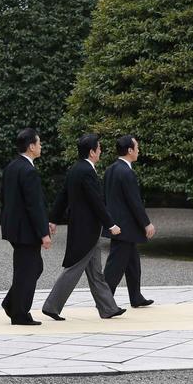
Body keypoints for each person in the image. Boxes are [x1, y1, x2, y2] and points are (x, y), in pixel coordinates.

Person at [42, 134, 127, 321]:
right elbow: (96, 202)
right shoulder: (87, 171)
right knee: (74, 268)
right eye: (99, 148)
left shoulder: (75, 169)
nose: (101, 151)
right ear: (92, 151)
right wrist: (111, 224)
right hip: (86, 229)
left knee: (96, 272)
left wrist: (54, 219)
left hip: (83, 228)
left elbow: (63, 196)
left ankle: (108, 308)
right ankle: (51, 305)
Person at [0, 128, 52, 326]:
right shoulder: (28, 170)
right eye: (39, 143)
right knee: (28, 270)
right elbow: (34, 205)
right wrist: (43, 233)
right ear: (31, 146)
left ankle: (11, 303)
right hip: (26, 230)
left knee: (32, 267)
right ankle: (20, 313)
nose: (40, 147)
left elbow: (5, 198)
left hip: (15, 227)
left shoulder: (12, 167)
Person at [102, 135, 155, 308]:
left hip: (118, 224)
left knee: (132, 263)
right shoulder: (127, 172)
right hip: (125, 226)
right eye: (137, 147)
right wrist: (146, 223)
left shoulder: (111, 169)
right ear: (130, 150)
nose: (139, 150)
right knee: (115, 266)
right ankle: (105, 300)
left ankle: (136, 296)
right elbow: (134, 202)